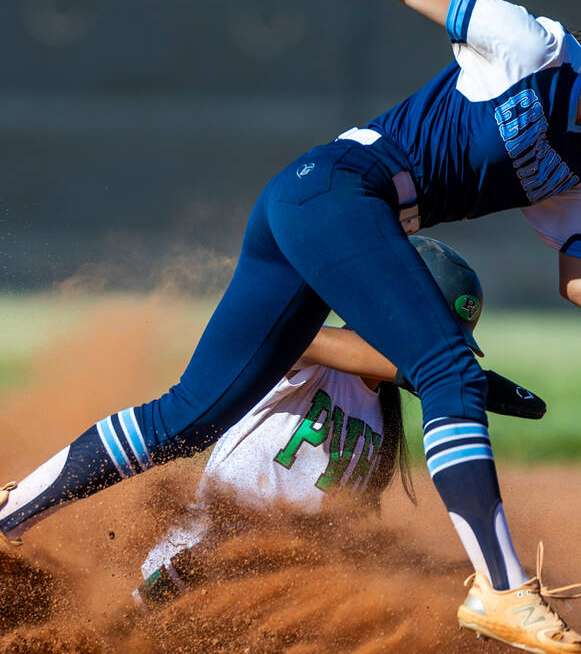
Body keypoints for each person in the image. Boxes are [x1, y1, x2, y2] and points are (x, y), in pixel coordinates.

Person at [0, 0, 581, 654]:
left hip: (316, 209)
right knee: (447, 368)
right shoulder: (533, 47)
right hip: (340, 190)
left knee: (192, 415)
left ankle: (0, 514)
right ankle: (502, 588)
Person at [127, 237, 543, 610]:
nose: (441, 351)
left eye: (448, 344)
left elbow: (349, 532)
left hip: (268, 593)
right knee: (222, 554)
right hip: (188, 573)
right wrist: (452, 376)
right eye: (437, 338)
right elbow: (293, 338)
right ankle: (113, 637)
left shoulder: (383, 417)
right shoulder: (309, 358)